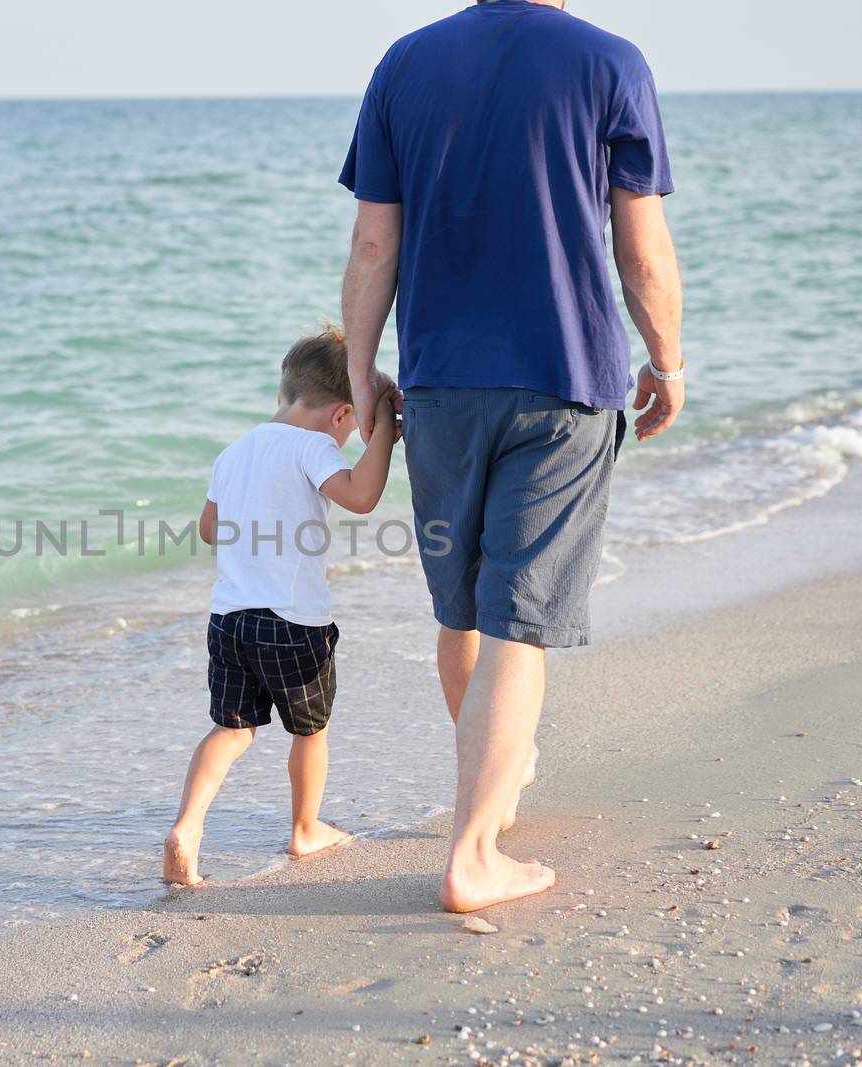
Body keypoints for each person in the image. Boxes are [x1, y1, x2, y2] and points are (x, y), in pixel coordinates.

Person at [337, 0, 686, 912]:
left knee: (463, 611)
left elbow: (376, 241)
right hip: (564, 379)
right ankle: (473, 854)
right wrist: (669, 360)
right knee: (518, 624)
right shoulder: (609, 61)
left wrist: (360, 369)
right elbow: (639, 247)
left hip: (442, 386)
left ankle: (493, 786)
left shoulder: (404, 63)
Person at [163, 325, 400, 886]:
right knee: (309, 731)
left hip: (229, 620)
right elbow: (361, 498)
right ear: (344, 414)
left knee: (233, 729)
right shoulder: (313, 446)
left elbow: (208, 529)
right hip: (293, 623)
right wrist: (386, 427)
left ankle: (187, 826)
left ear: (284, 392)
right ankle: (305, 829)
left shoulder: (235, 450)